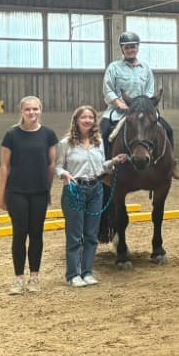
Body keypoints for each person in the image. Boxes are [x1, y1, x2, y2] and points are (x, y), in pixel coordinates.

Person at [55, 106, 127, 288]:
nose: (87, 120)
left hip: (96, 189)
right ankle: (73, 274)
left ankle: (87, 272)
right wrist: (64, 174)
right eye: (84, 117)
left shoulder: (99, 142)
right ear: (76, 120)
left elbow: (101, 166)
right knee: (75, 236)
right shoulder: (65, 143)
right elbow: (57, 166)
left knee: (91, 235)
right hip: (75, 189)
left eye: (90, 117)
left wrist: (113, 161)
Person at [102, 31, 179, 179]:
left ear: (137, 48)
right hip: (119, 110)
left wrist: (145, 106)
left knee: (168, 130)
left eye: (133, 47)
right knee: (103, 132)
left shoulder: (145, 68)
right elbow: (108, 89)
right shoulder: (113, 67)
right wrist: (118, 102)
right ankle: (106, 169)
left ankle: (172, 165)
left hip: (143, 110)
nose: (130, 50)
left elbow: (149, 90)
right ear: (122, 49)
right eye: (127, 47)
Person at [0, 96, 58, 295]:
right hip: (16, 192)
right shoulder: (11, 135)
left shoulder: (49, 134)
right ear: (21, 111)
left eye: (35, 109)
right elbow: (5, 166)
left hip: (39, 192)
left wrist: (47, 190)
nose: (32, 113)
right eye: (28, 110)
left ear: (40, 110)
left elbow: (51, 165)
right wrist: (2, 194)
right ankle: (18, 278)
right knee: (19, 233)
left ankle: (34, 277)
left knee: (36, 233)